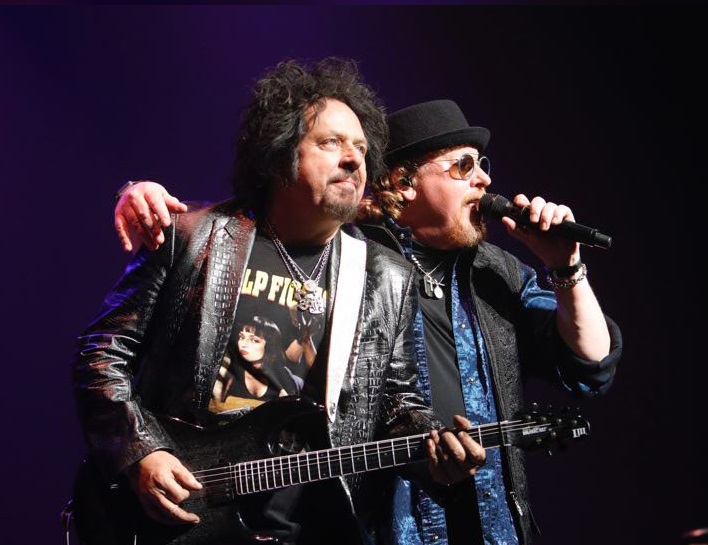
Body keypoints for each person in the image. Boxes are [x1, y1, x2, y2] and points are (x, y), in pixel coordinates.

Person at [112, 100, 623, 545]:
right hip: (376, 523)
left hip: (488, 520)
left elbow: (591, 364)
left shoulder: (498, 272)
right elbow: (259, 219)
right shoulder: (354, 253)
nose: (485, 180)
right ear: (402, 183)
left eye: (482, 165)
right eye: (463, 166)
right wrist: (141, 191)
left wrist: (566, 267)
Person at [72, 61, 488, 545]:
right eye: (330, 143)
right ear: (278, 155)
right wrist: (141, 451)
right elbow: (101, 355)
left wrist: (435, 447)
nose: (353, 160)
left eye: (361, 148)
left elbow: (398, 402)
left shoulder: (386, 278)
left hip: (312, 525)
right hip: (180, 516)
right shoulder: (194, 236)